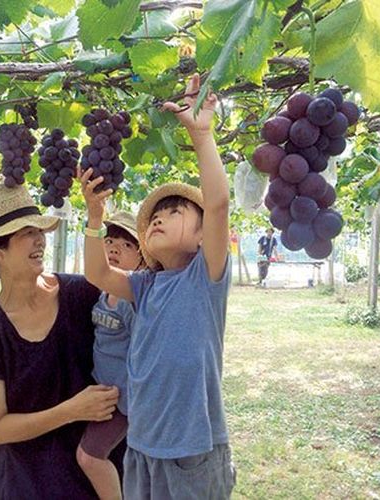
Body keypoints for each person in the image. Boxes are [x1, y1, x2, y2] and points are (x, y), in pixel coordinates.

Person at [79, 73, 236, 499]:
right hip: (142, 447)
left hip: (192, 454)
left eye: (174, 211)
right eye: (154, 217)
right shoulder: (146, 286)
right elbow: (98, 275)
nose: (158, 218)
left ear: (204, 235)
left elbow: (218, 204)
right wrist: (94, 219)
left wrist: (201, 134)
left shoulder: (205, 278)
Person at [0, 183, 124, 499]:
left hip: (98, 478)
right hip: (28, 484)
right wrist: (72, 410)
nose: (39, 239)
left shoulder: (82, 294)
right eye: (24, 233)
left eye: (39, 229)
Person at [77, 211, 143, 500]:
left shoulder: (132, 300)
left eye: (127, 245)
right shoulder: (104, 294)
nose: (115, 248)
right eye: (111, 240)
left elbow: (143, 354)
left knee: (89, 456)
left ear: (142, 258)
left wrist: (132, 406)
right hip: (104, 394)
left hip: (123, 400)